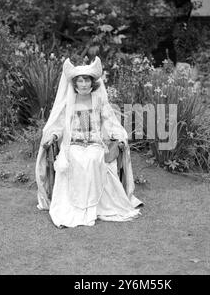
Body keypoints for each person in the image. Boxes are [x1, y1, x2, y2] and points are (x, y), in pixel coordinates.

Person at [35, 56, 143, 228]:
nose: (84, 84)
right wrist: (54, 136)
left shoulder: (98, 100)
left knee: (94, 159)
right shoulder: (68, 102)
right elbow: (60, 125)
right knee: (76, 160)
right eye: (80, 81)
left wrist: (118, 136)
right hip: (74, 144)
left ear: (92, 83)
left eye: (86, 80)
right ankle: (73, 209)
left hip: (94, 143)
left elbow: (109, 121)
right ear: (75, 84)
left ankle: (95, 207)